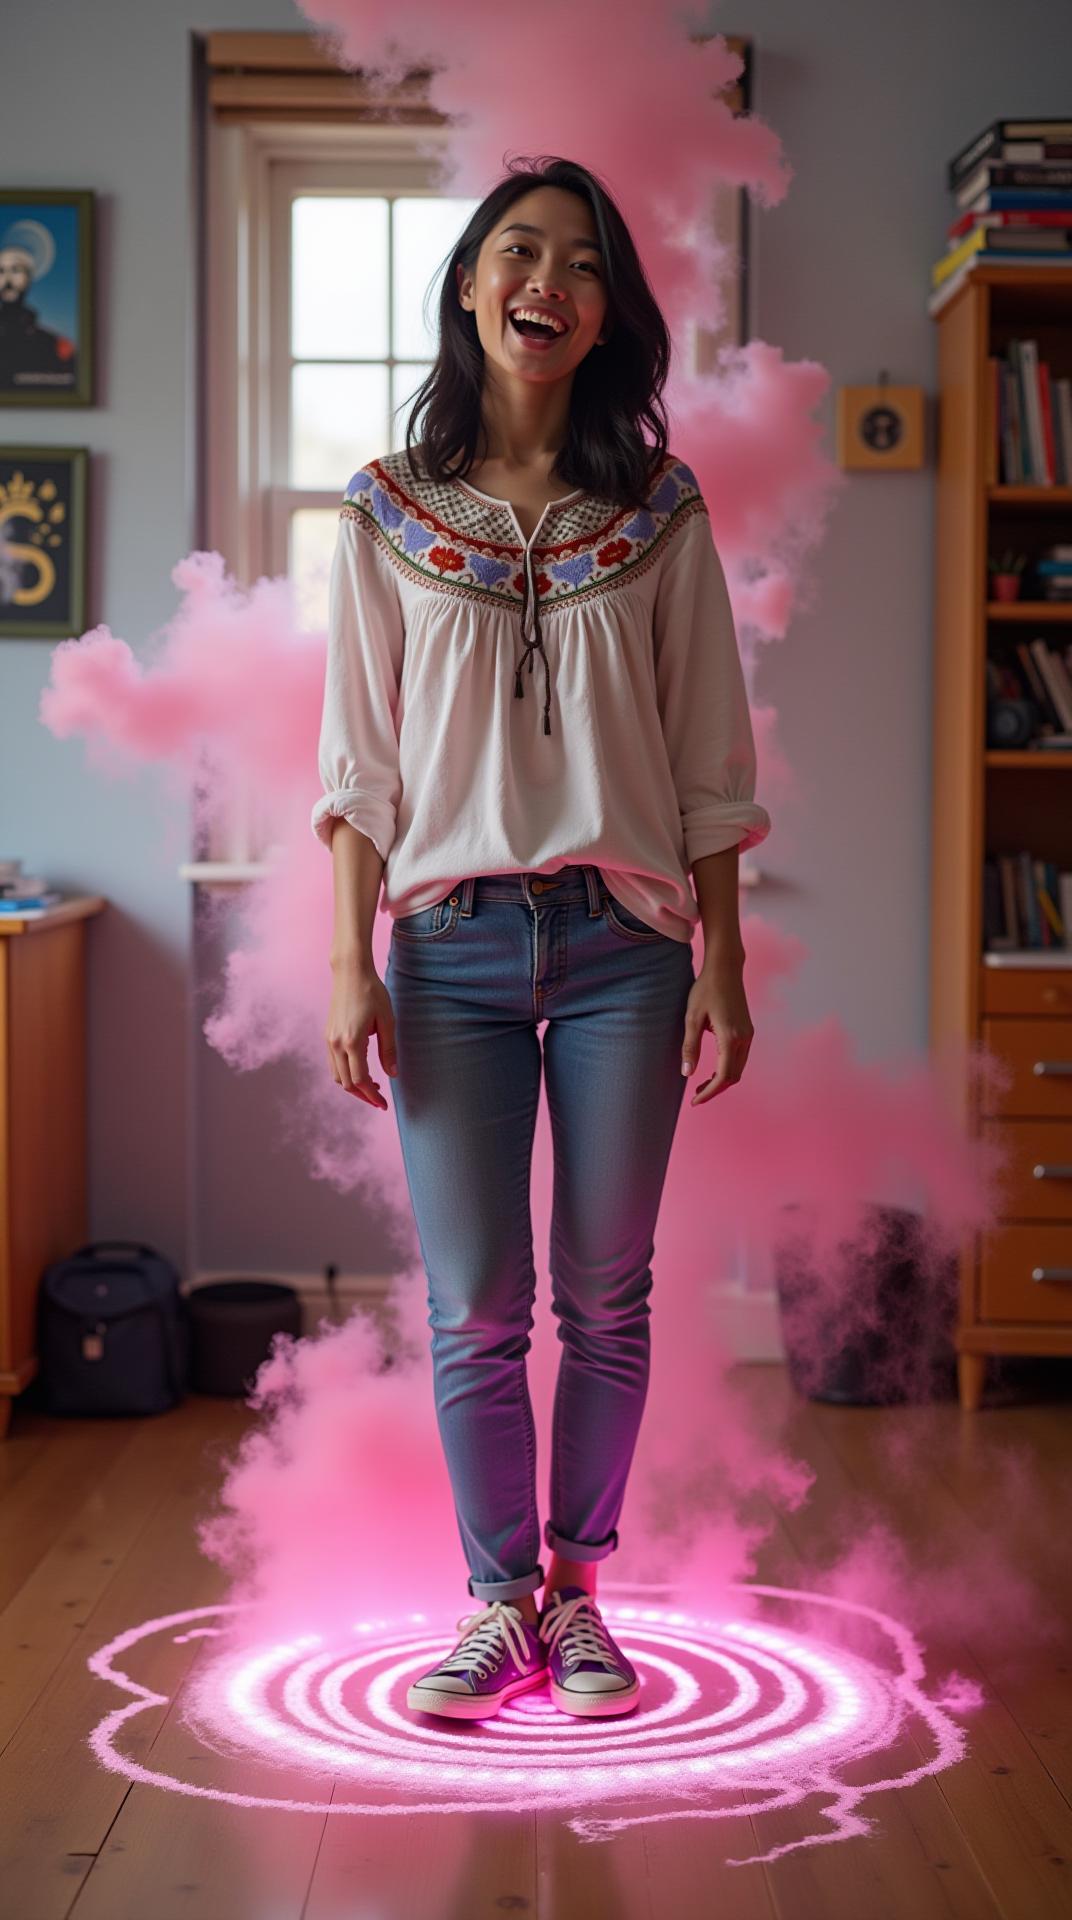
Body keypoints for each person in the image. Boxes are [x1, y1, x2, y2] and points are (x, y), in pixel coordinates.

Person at [312, 156, 771, 1722]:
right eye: (522, 250)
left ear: (604, 312)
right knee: (474, 1309)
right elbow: (357, 767)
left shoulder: (659, 507)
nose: (551, 280)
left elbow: (711, 759)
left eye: (583, 263)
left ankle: (580, 1598)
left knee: (608, 1298)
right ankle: (494, 1605)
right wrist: (341, 965)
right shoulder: (383, 510)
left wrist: (725, 960)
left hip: (627, 949)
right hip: (441, 950)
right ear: (468, 284)